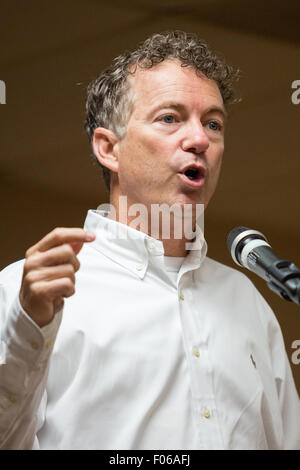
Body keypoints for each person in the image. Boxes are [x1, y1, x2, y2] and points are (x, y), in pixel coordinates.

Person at [0, 30, 299, 450]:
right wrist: (28, 328)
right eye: (170, 118)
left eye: (212, 123)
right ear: (109, 148)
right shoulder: (24, 294)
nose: (199, 140)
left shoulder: (246, 301)